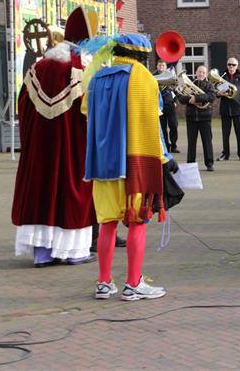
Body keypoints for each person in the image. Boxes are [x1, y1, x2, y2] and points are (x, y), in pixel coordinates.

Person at [84, 34, 173, 301]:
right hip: (135, 162)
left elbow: (86, 112)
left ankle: (103, 283)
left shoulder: (96, 79)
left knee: (107, 223)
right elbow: (153, 122)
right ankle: (133, 284)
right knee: (138, 222)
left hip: (102, 163)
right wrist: (165, 157)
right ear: (141, 55)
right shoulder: (144, 78)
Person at [11, 43, 95, 267]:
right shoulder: (81, 70)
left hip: (40, 148)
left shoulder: (37, 69)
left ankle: (42, 254)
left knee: (41, 193)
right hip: (73, 148)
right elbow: (91, 112)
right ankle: (74, 252)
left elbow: (23, 108)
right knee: (71, 191)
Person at [177, 65, 216, 172]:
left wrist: (196, 98)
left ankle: (209, 163)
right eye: (199, 72)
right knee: (191, 142)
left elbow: (211, 96)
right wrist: (190, 99)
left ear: (206, 74)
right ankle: (190, 163)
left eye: (203, 72)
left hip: (205, 117)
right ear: (196, 72)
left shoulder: (209, 85)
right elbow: (180, 98)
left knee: (207, 142)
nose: (201, 74)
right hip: (191, 117)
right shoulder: (189, 84)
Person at [218, 57, 240, 162]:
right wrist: (218, 93)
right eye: (229, 64)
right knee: (225, 134)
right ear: (227, 65)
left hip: (238, 109)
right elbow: (216, 90)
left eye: (233, 65)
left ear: (237, 66)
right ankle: (225, 154)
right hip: (225, 108)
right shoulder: (222, 77)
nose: (231, 66)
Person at [156, 59, 179, 153]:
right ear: (157, 66)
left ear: (166, 67)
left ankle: (174, 145)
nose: (161, 67)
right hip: (159, 105)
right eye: (160, 65)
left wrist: (175, 101)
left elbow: (177, 89)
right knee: (163, 127)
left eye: (163, 65)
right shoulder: (153, 76)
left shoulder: (171, 76)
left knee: (174, 125)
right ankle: (166, 145)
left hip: (170, 104)